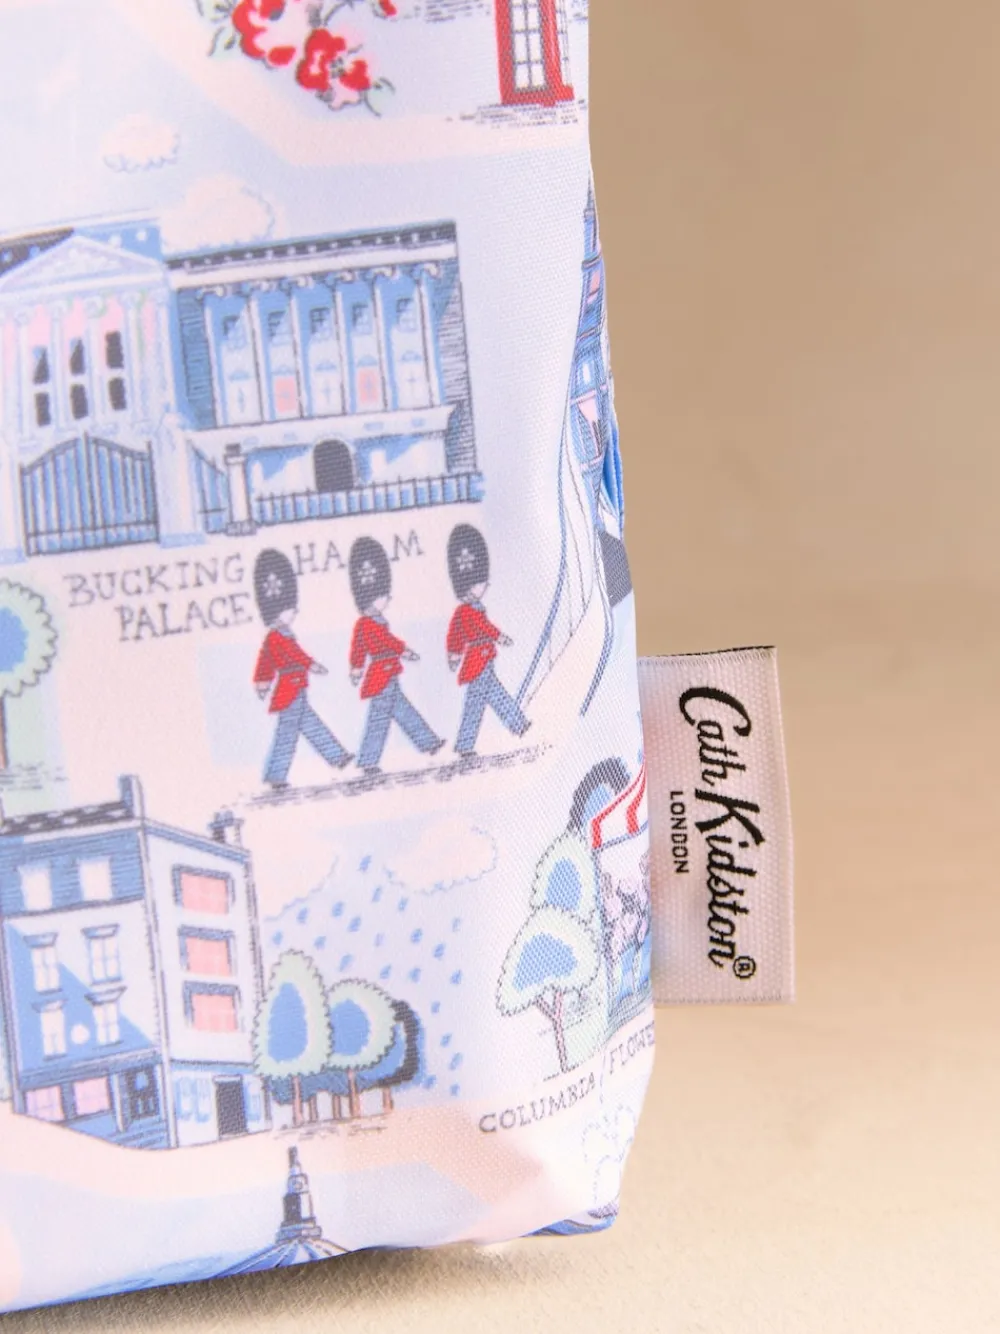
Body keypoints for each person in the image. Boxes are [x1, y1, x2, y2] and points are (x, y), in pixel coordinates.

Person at [252, 549, 351, 791]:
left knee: (308, 724)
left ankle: (337, 756)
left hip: (295, 688)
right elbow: (282, 659)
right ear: (277, 612)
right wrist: (311, 665)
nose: (294, 612)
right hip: (289, 690)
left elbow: (267, 663)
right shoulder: (278, 637)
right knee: (289, 733)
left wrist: (263, 682)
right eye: (290, 609)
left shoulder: (282, 635)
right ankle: (277, 774)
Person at [348, 537, 443, 777]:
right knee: (383, 717)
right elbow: (371, 646)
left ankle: (427, 743)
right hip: (381, 677)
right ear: (371, 598)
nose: (387, 599)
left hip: (388, 674)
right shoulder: (367, 624)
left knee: (397, 712)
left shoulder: (375, 621)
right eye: (383, 595)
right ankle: (371, 759)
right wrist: (403, 651)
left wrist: (358, 668)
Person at [445, 524, 530, 758]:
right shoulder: (467, 612)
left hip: (482, 659)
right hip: (478, 661)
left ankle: (468, 743)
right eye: (479, 582)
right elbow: (472, 631)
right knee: (487, 698)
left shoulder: (471, 609)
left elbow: (456, 636)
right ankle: (516, 725)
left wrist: (454, 654)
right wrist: (498, 637)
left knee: (481, 700)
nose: (485, 585)